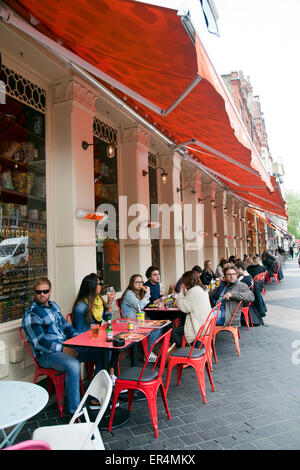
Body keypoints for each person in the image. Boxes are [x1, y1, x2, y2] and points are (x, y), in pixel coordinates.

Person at [22, 277, 102, 416]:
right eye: (39, 292)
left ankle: (96, 396)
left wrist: (79, 338)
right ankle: (75, 411)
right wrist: (63, 349)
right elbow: (40, 342)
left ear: (50, 291)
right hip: (47, 355)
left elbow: (65, 326)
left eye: (45, 291)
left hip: (65, 346)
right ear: (34, 293)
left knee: (102, 352)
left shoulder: (53, 306)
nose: (42, 294)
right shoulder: (32, 314)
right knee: (73, 365)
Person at [72, 273, 119, 386]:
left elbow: (106, 318)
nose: (101, 286)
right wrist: (97, 336)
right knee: (106, 353)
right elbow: (79, 333)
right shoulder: (81, 306)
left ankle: (110, 376)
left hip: (96, 340)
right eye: (99, 284)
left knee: (117, 345)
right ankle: (98, 388)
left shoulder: (98, 300)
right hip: (84, 346)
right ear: (92, 286)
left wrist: (109, 303)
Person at [168, 270, 212, 353]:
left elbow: (183, 307)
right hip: (205, 324)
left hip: (198, 327)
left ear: (187, 282)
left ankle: (184, 351)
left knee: (175, 331)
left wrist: (181, 291)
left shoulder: (194, 291)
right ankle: (186, 347)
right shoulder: (200, 289)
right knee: (182, 324)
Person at [120, 274, 158, 362]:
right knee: (156, 328)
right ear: (132, 284)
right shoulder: (129, 293)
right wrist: (147, 294)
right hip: (131, 323)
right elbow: (140, 306)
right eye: (137, 282)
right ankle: (148, 353)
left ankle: (149, 351)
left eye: (141, 282)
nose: (140, 284)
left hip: (138, 321)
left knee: (158, 327)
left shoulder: (137, 293)